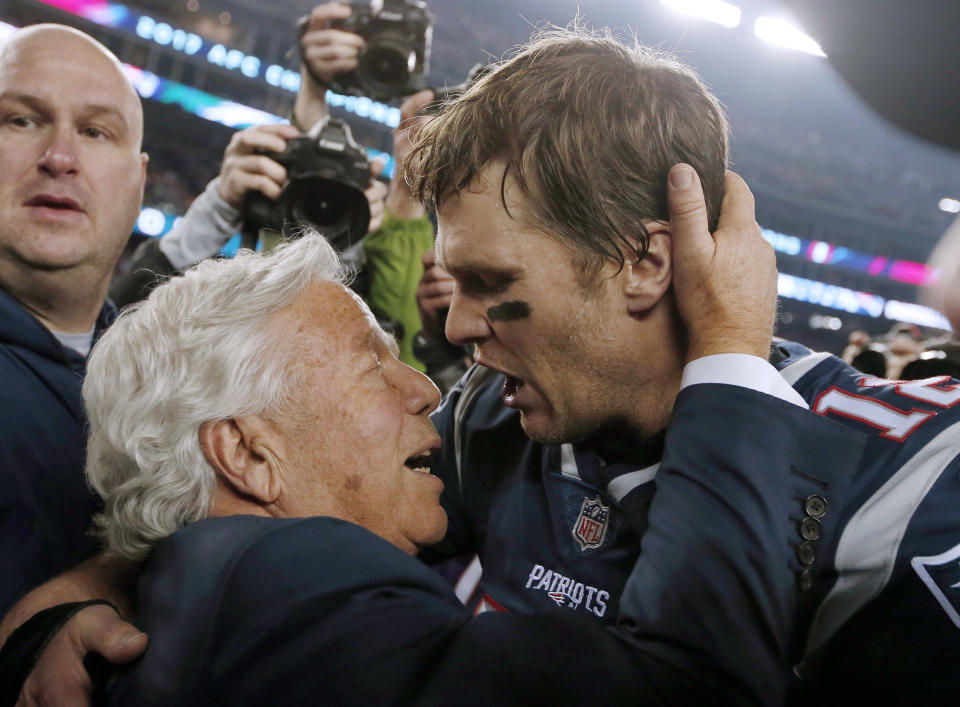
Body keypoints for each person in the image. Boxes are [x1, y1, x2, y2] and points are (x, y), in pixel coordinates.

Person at [6, 220, 862, 706]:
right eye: (371, 363)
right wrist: (731, 353)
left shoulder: (185, 583)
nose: (424, 385)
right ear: (247, 452)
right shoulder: (291, 580)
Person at [404, 29, 960, 704]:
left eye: (490, 280)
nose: (459, 324)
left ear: (646, 263)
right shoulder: (485, 416)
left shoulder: (913, 485)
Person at [0, 23, 148, 615]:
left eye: (94, 131)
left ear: (138, 182)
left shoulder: (161, 384)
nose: (59, 157)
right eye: (21, 120)